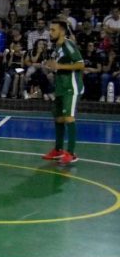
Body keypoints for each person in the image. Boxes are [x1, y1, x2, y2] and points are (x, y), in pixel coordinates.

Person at [42, 19, 84, 165]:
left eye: (53, 30)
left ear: (62, 31)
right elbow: (57, 66)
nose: (50, 32)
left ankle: (71, 153)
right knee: (59, 118)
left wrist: (59, 66)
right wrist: (51, 66)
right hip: (60, 87)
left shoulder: (68, 44)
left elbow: (80, 64)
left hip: (70, 87)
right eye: (50, 29)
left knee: (69, 118)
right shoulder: (57, 47)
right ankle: (58, 150)